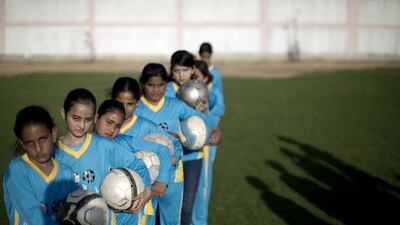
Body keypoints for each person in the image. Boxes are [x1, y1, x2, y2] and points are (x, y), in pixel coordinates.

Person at [135, 62, 220, 225]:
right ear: (143, 84)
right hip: (145, 177)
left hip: (173, 175)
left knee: (172, 220)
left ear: (165, 84)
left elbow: (203, 120)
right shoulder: (137, 108)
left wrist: (215, 130)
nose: (155, 90)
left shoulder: (176, 105)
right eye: (150, 85)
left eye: (160, 85)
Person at [53, 88, 152, 225]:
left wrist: (147, 189)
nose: (81, 125)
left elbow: (137, 164)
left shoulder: (105, 145)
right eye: (75, 118)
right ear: (64, 113)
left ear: (94, 118)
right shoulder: (54, 153)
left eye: (87, 120)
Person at [109, 77, 182, 225]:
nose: (124, 108)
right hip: (113, 193)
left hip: (144, 195)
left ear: (137, 102)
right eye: (119, 102)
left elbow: (176, 146)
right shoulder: (106, 127)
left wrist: (170, 163)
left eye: (129, 104)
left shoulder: (147, 126)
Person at [94, 99, 172, 225]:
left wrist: (162, 180)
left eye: (118, 126)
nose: (112, 129)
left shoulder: (125, 142)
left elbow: (163, 150)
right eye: (109, 122)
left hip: (133, 215)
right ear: (96, 118)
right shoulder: (84, 146)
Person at [3, 105, 78, 225]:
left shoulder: (66, 173)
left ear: (53, 134)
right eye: (30, 143)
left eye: (42, 139)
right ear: (22, 144)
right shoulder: (17, 170)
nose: (38, 148)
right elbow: (33, 216)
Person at [191, 60, 225, 225]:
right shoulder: (185, 92)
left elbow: (219, 108)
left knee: (201, 191)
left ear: (205, 78)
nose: (193, 80)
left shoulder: (210, 93)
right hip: (188, 150)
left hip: (205, 146)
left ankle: (199, 222)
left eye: (196, 77)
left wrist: (205, 110)